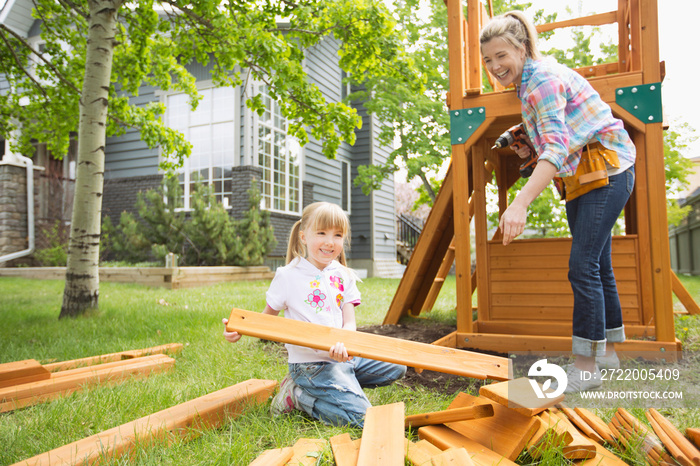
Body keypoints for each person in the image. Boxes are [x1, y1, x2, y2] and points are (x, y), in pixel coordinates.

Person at [479, 11, 636, 393]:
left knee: (582, 267)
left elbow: (557, 145)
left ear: (522, 47)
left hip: (607, 168)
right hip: (583, 173)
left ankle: (587, 367)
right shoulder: (529, 81)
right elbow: (558, 133)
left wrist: (519, 204)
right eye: (487, 59)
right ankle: (609, 354)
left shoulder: (541, 82)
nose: (495, 66)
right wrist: (524, 135)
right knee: (598, 265)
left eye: (501, 55)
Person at [222, 201, 406, 427]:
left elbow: (349, 322)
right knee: (366, 420)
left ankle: (341, 385)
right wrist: (238, 329)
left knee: (398, 366)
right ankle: (299, 396)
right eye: (321, 233)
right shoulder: (288, 276)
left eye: (337, 235)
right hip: (310, 365)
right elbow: (266, 320)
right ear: (303, 237)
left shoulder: (344, 274)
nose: (330, 242)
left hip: (346, 357)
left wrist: (345, 343)